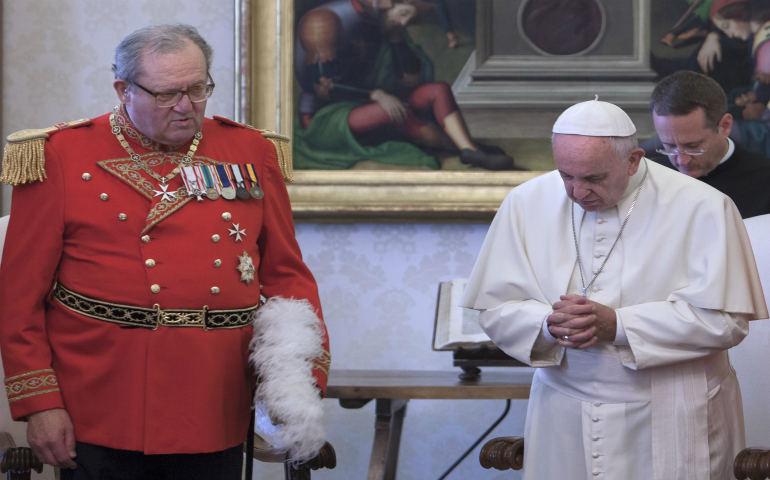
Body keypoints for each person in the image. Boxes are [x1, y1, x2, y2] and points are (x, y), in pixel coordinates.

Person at [0, 24, 330, 479]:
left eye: (198, 89)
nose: (185, 106)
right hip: (101, 399)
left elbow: (288, 276)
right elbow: (18, 299)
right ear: (123, 89)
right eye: (166, 94)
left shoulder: (251, 150)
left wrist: (297, 379)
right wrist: (39, 403)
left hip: (215, 397)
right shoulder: (58, 154)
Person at [461, 98, 767, 479]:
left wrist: (618, 326)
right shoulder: (525, 202)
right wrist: (548, 324)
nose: (576, 192)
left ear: (634, 160)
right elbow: (495, 306)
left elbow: (727, 321)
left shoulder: (704, 206)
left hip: (673, 407)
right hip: (563, 409)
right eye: (566, 175)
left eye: (593, 178)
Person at [293, 0, 515, 171]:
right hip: (323, 117)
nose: (405, 22)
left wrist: (397, 40)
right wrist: (376, 94)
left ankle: (468, 149)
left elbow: (410, 82)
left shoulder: (384, 24)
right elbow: (323, 86)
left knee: (437, 90)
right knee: (393, 111)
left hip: (364, 105)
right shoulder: (323, 21)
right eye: (403, 13)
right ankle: (466, 148)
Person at [650, 70, 770, 218]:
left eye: (693, 146)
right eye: (670, 146)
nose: (682, 161)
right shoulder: (651, 180)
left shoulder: (765, 178)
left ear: (725, 126)